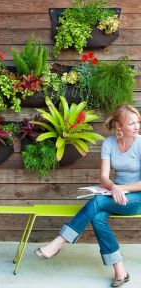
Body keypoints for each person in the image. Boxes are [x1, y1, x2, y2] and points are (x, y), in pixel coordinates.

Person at [35, 104, 141, 287]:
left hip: (136, 197)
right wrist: (114, 187)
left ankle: (59, 241)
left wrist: (121, 189)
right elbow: (103, 177)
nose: (136, 126)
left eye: (137, 122)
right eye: (131, 123)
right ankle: (120, 272)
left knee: (98, 202)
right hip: (115, 195)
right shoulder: (109, 144)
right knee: (98, 217)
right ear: (119, 126)